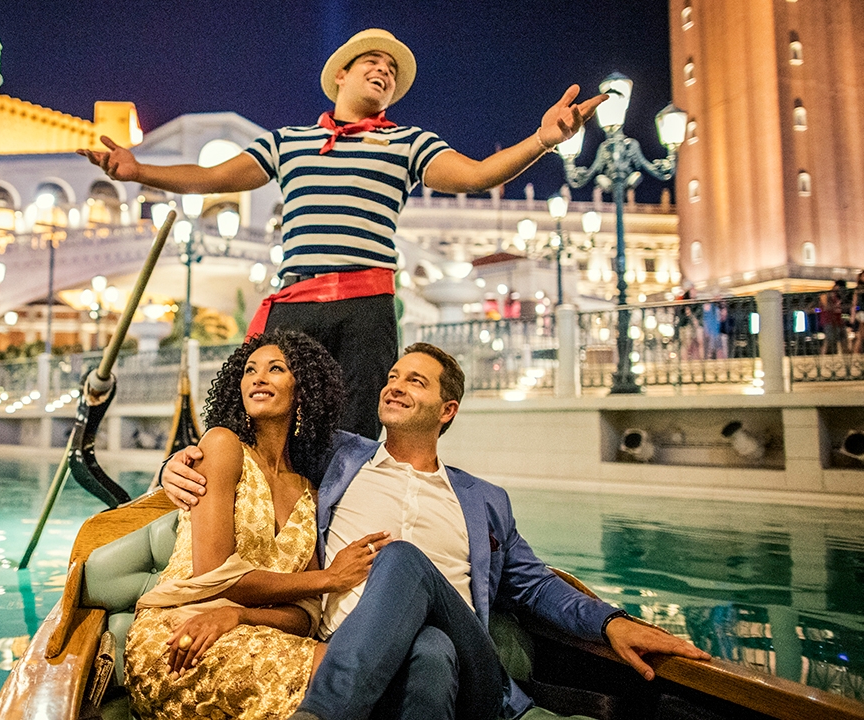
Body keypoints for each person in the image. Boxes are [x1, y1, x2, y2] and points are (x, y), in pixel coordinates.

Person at [79, 29, 606, 441]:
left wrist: (544, 139)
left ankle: (336, 548)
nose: (384, 71)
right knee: (270, 425)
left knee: (355, 431)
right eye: (373, 63)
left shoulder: (409, 143)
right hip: (296, 304)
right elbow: (212, 178)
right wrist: (137, 171)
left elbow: (476, 175)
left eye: (392, 71)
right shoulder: (289, 142)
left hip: (366, 308)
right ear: (341, 77)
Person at [161, 343, 711, 720]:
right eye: (393, 377)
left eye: (415, 382)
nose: (395, 387)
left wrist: (609, 621)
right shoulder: (335, 460)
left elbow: (536, 584)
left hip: (475, 671)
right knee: (427, 650)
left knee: (402, 561)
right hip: (357, 653)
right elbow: (257, 450)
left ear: (447, 410)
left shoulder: (483, 501)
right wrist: (177, 468)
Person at [125, 329, 392, 720]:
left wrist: (239, 614)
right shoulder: (222, 446)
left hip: (250, 633)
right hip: (178, 634)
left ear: (303, 391)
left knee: (351, 672)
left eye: (276, 369)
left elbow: (305, 616)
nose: (258, 378)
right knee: (343, 673)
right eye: (250, 370)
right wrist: (329, 578)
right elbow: (213, 572)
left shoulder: (310, 495)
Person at [849, 270, 864, 354]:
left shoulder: (862, 288)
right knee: (863, 335)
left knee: (861, 336)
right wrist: (852, 318)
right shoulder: (861, 289)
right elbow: (854, 304)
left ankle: (856, 353)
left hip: (863, 314)